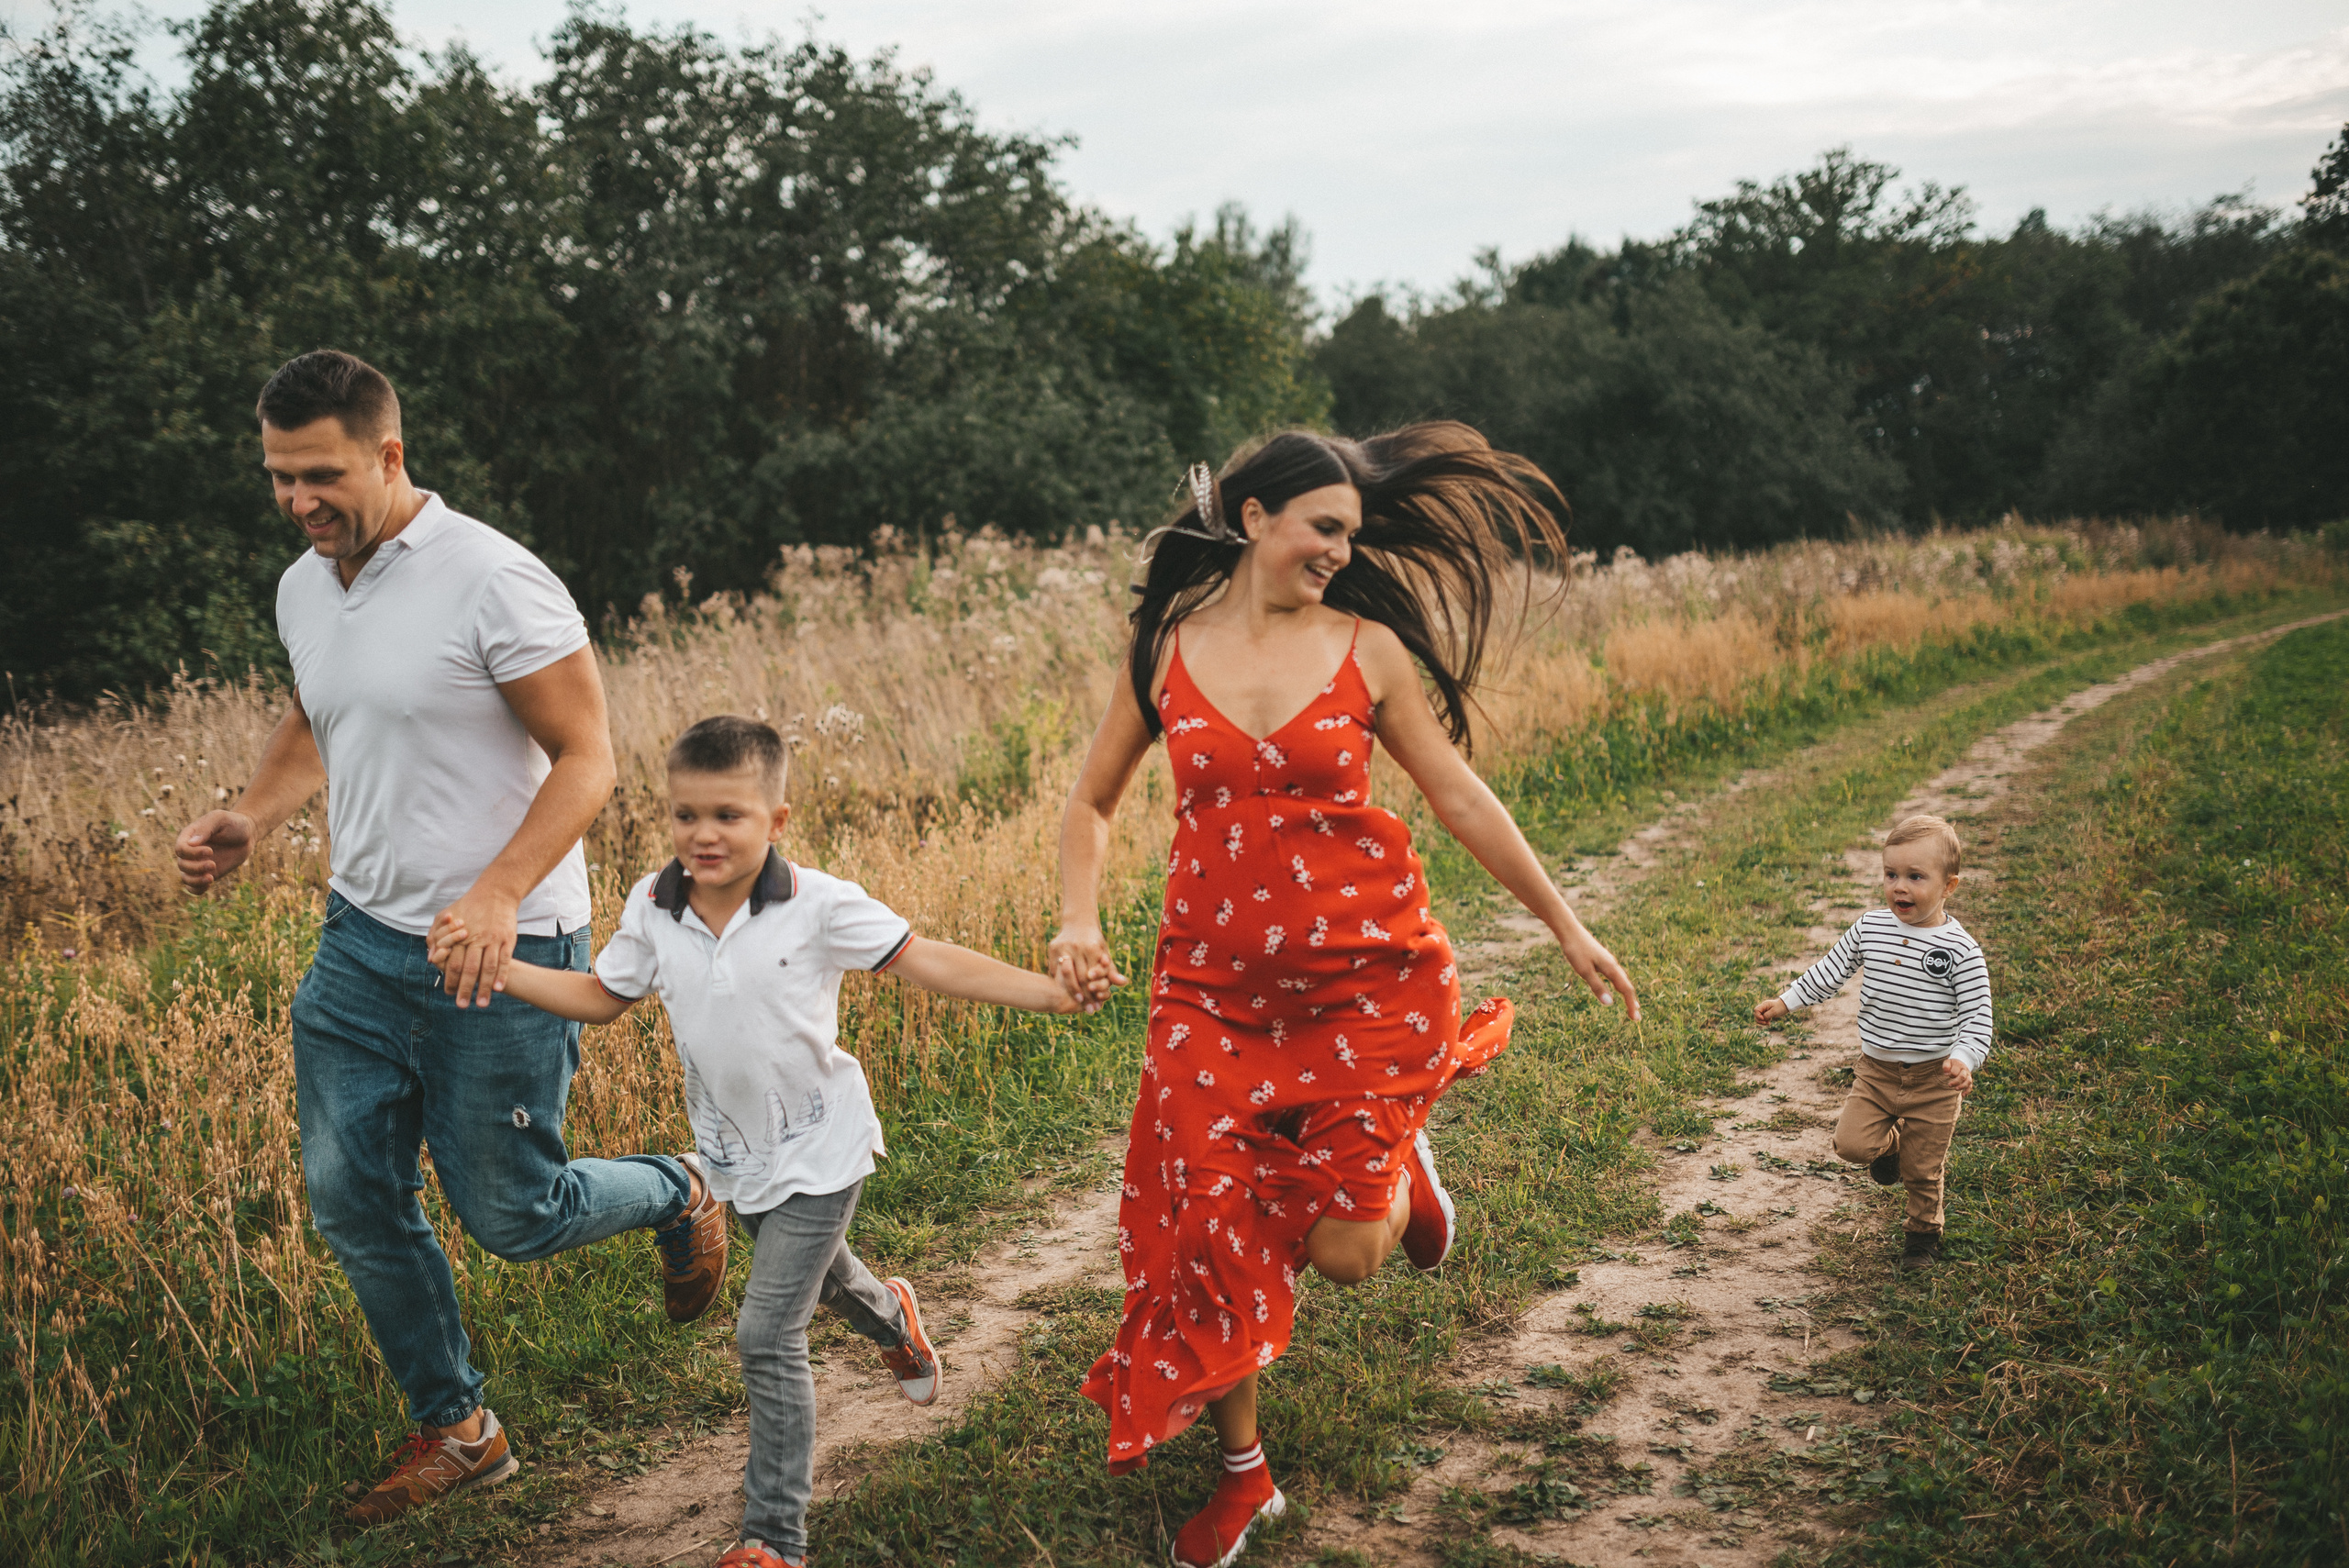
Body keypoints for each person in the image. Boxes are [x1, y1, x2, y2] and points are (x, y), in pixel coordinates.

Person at [1048, 425, 1642, 1568]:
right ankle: (1243, 1473)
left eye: (1351, 535)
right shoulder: (1164, 649)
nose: (1339, 550)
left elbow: (1456, 794)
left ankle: (1404, 1171)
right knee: (1206, 1224)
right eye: (1323, 527)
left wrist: (1565, 923)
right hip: (1209, 994)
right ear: (1253, 515)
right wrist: (1078, 920)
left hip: (1368, 986)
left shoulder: (1368, 649)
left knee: (1346, 1255)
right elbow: (1092, 801)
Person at [173, 350, 730, 1525]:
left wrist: (495, 891)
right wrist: (252, 816)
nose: (297, 500)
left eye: (320, 475)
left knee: (517, 1215)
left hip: (501, 949)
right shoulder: (305, 585)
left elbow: (589, 758)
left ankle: (681, 1186)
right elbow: (319, 714)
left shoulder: (494, 579)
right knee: (351, 1195)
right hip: (359, 945)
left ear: (389, 454)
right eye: (278, 476)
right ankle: (458, 1425)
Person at [430, 714, 1078, 1568]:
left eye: (728, 815)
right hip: (735, 1155)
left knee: (767, 1332)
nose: (703, 833)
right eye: (686, 814)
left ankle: (775, 1539)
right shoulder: (654, 905)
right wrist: (503, 968)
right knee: (821, 1278)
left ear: (776, 820)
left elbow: (927, 959)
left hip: (824, 1145)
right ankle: (894, 1317)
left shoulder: (819, 905)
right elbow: (602, 997)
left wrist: (1046, 992)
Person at [1755, 813, 1992, 1273]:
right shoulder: (1871, 928)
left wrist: (1964, 1058)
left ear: (1949, 886)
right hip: (1876, 1071)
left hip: (1934, 1080)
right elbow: (1830, 970)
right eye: (1890, 875)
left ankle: (1922, 1236)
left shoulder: (1961, 950)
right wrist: (1787, 1001)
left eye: (1915, 877)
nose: (1899, 887)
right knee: (1850, 1145)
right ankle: (1891, 1148)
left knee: (1923, 1169)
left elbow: (1978, 1016)